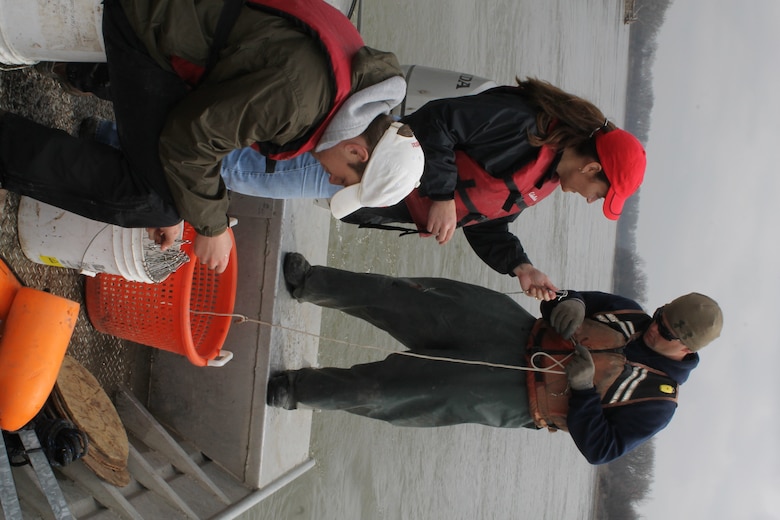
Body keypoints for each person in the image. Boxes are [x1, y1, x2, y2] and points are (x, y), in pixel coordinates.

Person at [0, 0, 424, 274]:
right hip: (146, 22)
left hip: (187, 26)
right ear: (355, 149)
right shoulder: (298, 98)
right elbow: (185, 143)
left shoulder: (351, 79)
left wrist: (196, 212)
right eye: (345, 180)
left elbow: (216, 130)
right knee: (149, 198)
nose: (331, 183)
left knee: (169, 199)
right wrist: (210, 225)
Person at [267, 253, 723, 465]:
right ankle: (312, 282)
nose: (653, 325)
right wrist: (569, 304)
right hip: (513, 327)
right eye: (660, 314)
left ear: (685, 349)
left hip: (518, 396)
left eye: (663, 330)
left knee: (395, 392)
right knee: (409, 298)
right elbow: (563, 298)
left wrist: (583, 391)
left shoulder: (657, 403)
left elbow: (601, 450)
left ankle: (298, 390)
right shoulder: (630, 313)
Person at [334, 78, 647, 300]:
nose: (592, 200)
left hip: (362, 197)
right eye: (600, 194)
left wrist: (520, 266)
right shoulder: (523, 124)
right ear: (591, 168)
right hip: (357, 161)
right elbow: (437, 120)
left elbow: (486, 224)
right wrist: (442, 196)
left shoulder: (547, 177)